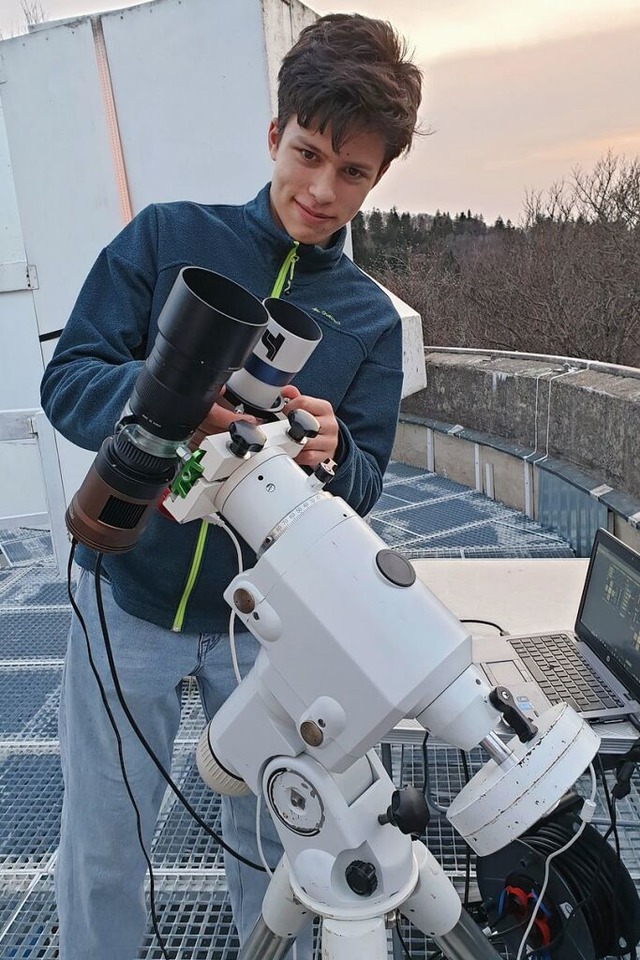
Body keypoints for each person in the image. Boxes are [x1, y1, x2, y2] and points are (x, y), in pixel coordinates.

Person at [40, 12, 422, 959]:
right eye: (310, 153)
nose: (323, 190)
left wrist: (329, 453)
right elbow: (70, 376)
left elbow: (364, 483)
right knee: (102, 849)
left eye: (355, 173)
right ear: (274, 134)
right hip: (124, 596)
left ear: (380, 177)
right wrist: (172, 400)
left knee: (276, 855)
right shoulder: (171, 237)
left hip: (268, 632)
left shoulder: (369, 322)